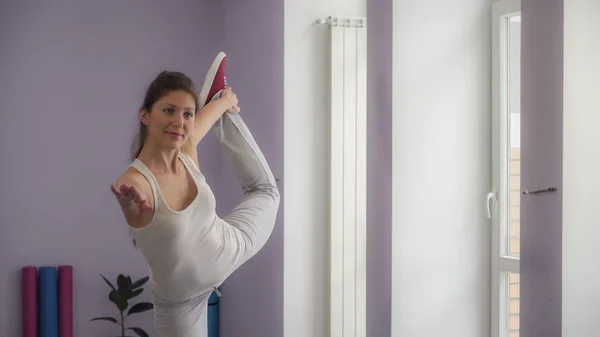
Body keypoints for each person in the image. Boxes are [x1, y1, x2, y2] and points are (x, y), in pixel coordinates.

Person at [109, 51, 280, 337]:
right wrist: (135, 207)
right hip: (180, 305)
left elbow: (207, 117)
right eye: (168, 110)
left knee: (265, 191)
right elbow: (136, 206)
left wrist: (224, 101)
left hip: (229, 245)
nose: (179, 122)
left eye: (187, 113)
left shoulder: (186, 151)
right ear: (145, 115)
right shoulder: (135, 182)